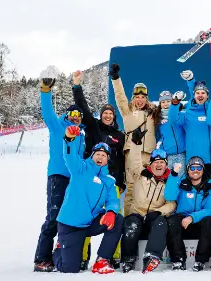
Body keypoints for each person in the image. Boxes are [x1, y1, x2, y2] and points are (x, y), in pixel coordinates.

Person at [71, 70, 125, 270]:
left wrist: (122, 179)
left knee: (114, 217)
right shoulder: (93, 127)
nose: (108, 116)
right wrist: (77, 86)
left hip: (112, 182)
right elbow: (83, 108)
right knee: (87, 217)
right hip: (90, 181)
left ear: (114, 117)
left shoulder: (120, 135)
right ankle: (83, 256)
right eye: (105, 113)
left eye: (111, 114)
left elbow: (122, 160)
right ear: (101, 116)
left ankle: (112, 256)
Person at [52, 126, 123, 274]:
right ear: (92, 155)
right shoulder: (80, 168)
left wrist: (111, 211)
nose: (100, 157)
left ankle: (102, 260)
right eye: (97, 154)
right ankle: (59, 249)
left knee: (118, 219)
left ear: (107, 159)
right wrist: (69, 139)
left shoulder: (109, 180)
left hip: (90, 223)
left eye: (104, 155)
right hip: (71, 225)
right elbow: (69, 156)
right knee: (70, 269)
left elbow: (113, 200)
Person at [34, 77, 86, 272]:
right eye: (72, 113)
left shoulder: (81, 135)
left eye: (78, 115)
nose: (75, 117)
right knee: (54, 216)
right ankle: (41, 258)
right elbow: (47, 114)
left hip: (73, 181)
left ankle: (61, 251)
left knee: (68, 217)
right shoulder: (58, 127)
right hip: (57, 176)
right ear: (67, 114)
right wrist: (45, 91)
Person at [120, 138, 176, 273]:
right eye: (155, 162)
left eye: (162, 162)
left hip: (154, 215)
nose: (158, 165)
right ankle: (128, 259)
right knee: (131, 224)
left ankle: (152, 256)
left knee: (161, 222)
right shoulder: (141, 174)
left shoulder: (171, 181)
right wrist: (136, 144)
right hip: (137, 213)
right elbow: (134, 160)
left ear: (166, 165)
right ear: (150, 164)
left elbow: (172, 203)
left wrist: (159, 212)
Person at [109, 63, 156, 216]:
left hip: (148, 154)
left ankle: (145, 220)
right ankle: (127, 220)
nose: (140, 100)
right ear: (133, 98)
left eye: (143, 97)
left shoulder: (153, 113)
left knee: (148, 187)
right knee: (131, 187)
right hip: (131, 154)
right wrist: (115, 78)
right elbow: (119, 96)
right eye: (137, 97)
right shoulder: (127, 110)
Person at [164, 157, 211, 272]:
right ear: (188, 170)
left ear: (203, 170)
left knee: (210, 220)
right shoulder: (181, 183)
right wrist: (174, 175)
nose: (195, 170)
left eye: (199, 167)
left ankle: (200, 261)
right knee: (172, 220)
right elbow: (169, 196)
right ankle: (178, 260)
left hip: (199, 222)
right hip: (182, 222)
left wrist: (192, 217)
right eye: (192, 168)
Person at [169, 80, 211, 188]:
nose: (200, 95)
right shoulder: (188, 113)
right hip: (195, 163)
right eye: (197, 93)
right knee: (195, 195)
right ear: (194, 96)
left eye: (203, 93)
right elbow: (173, 119)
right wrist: (175, 103)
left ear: (207, 96)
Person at [153, 90, 186, 177]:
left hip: (182, 153)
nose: (166, 104)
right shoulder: (158, 119)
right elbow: (157, 137)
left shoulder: (180, 115)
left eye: (168, 101)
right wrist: (161, 148)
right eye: (163, 102)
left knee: (181, 178)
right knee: (169, 178)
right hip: (168, 155)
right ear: (160, 104)